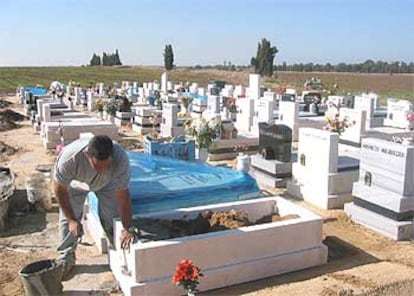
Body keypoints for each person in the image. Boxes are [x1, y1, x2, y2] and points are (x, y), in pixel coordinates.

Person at [53, 135, 136, 278]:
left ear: (111, 156)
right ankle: (65, 258)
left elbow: (123, 195)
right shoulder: (70, 158)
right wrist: (72, 219)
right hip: (76, 185)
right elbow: (59, 190)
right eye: (97, 166)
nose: (101, 170)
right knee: (68, 222)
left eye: (106, 166)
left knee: (112, 216)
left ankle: (117, 250)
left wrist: (127, 228)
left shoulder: (120, 158)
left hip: (106, 185)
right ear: (87, 155)